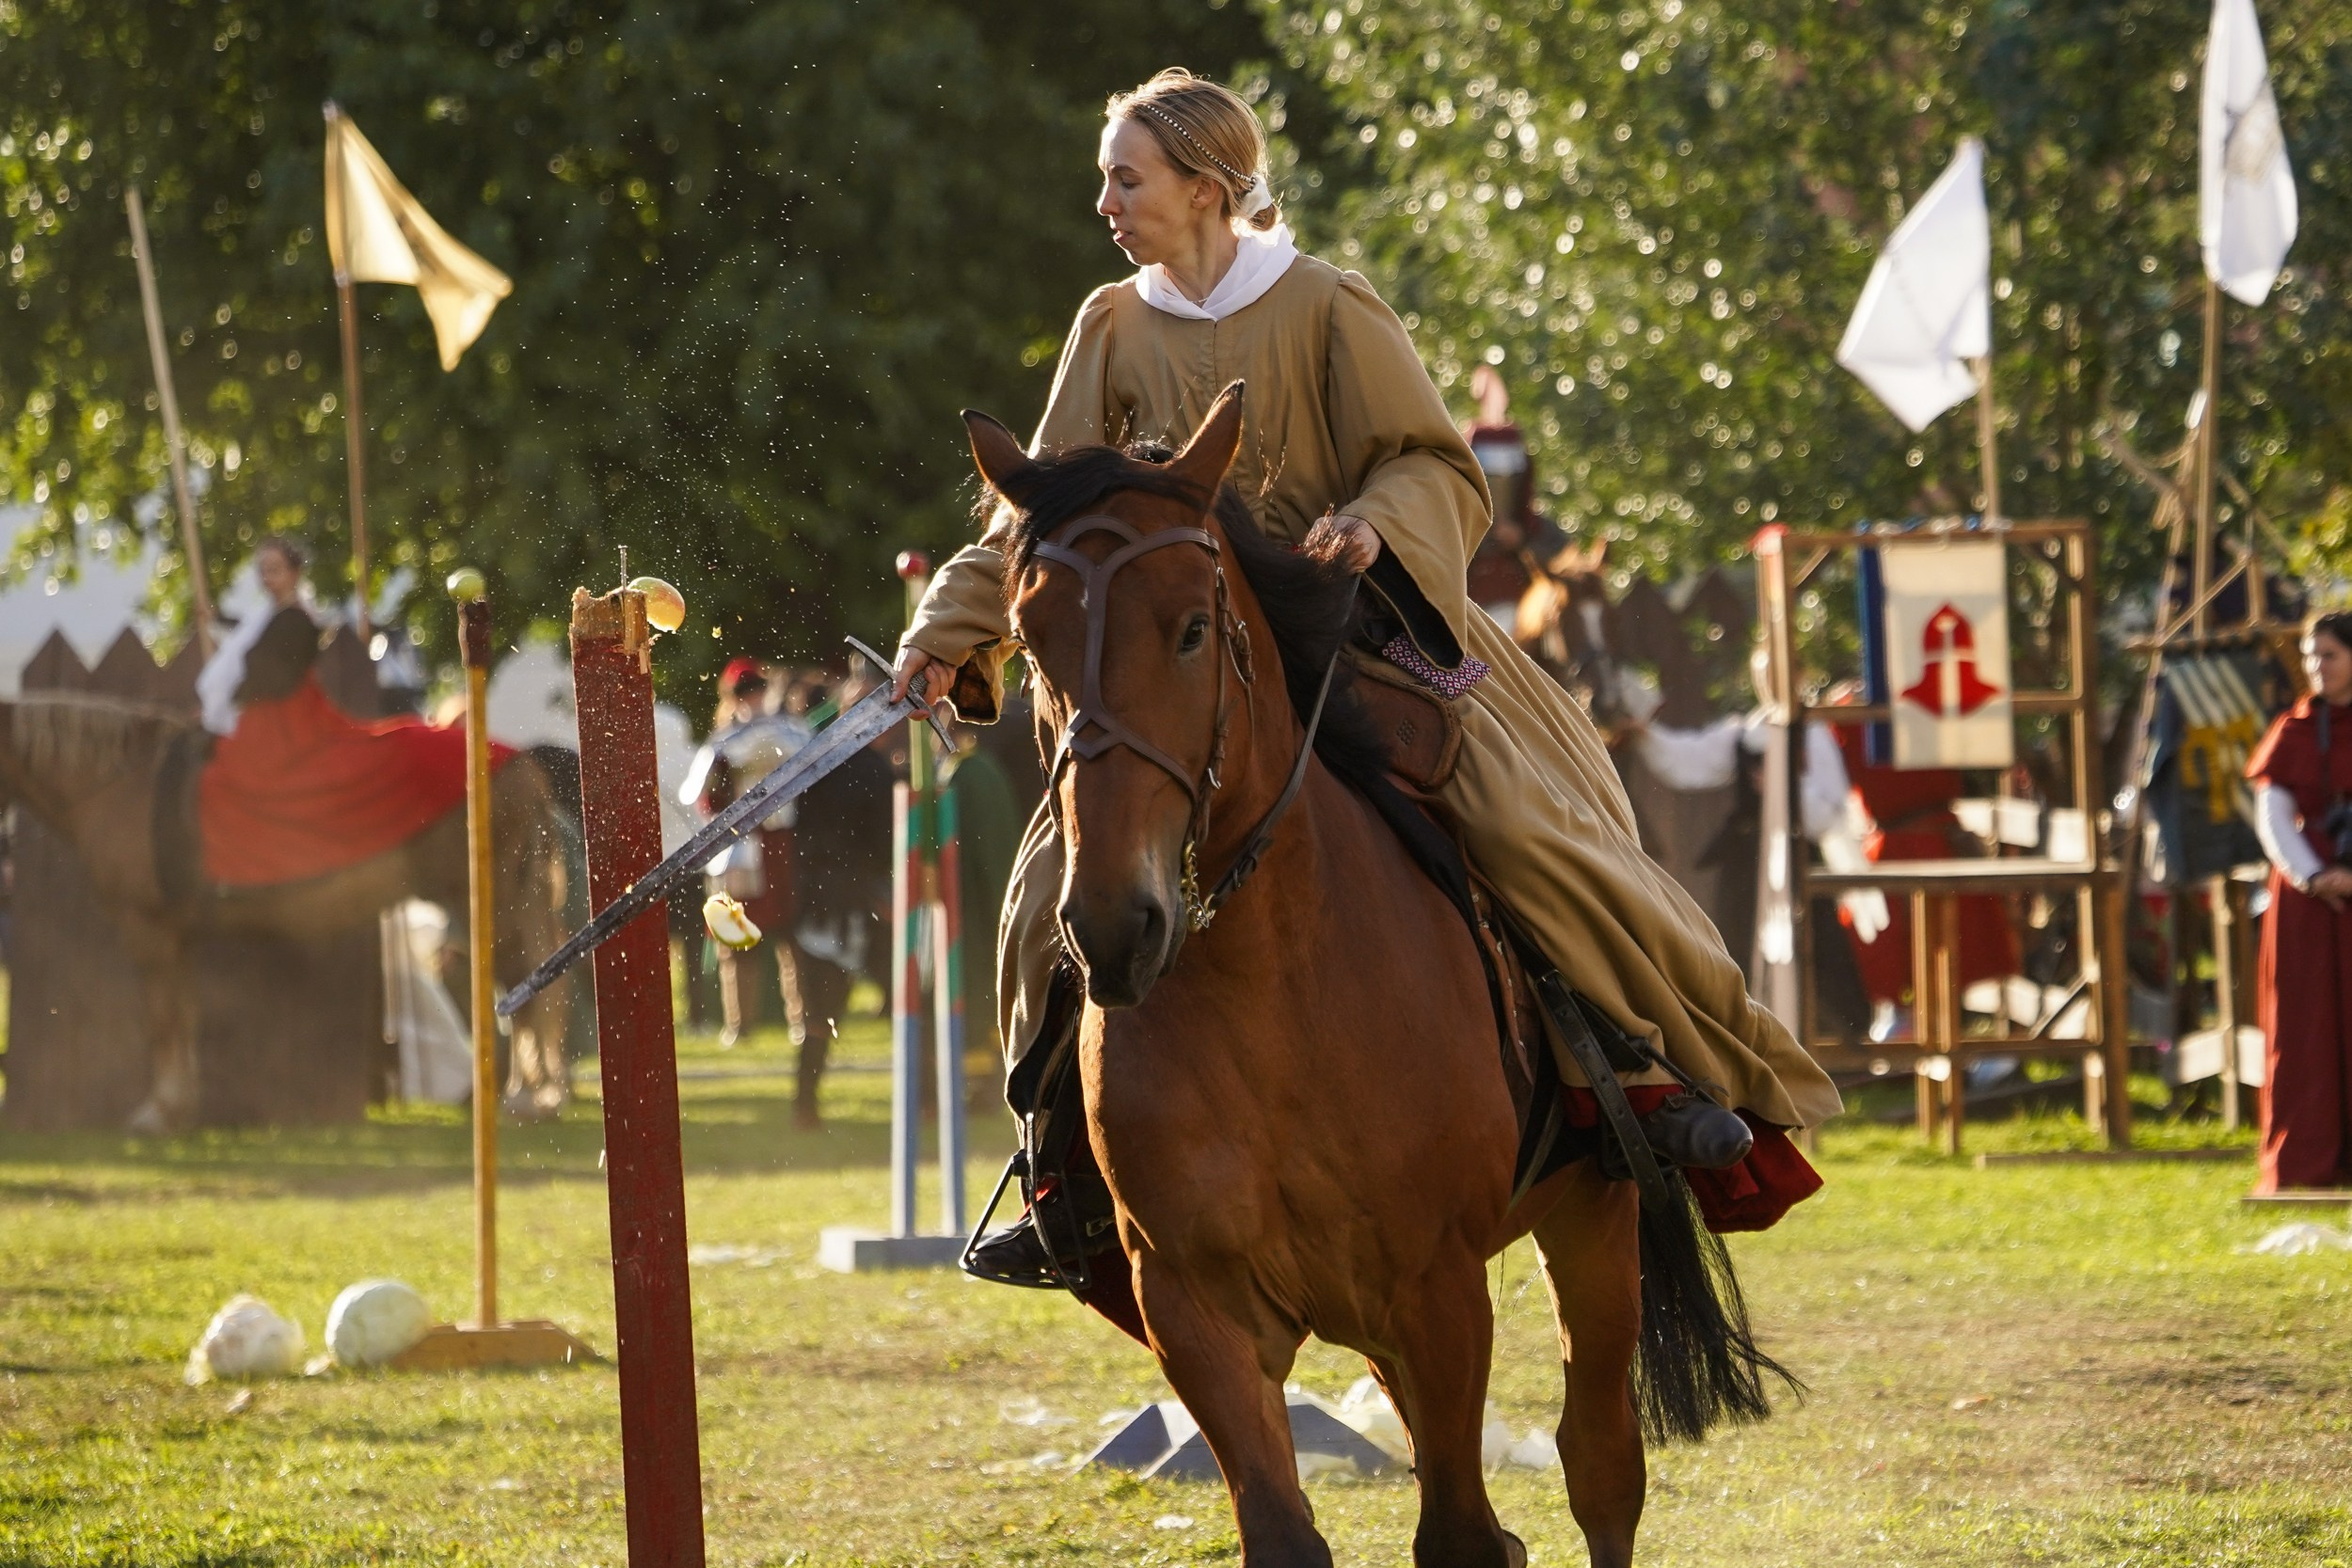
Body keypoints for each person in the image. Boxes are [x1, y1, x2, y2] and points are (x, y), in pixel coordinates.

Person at [891, 69, 1840, 1282]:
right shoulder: (1109, 324)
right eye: (1107, 179)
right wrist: (944, 631)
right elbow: (1038, 517)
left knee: (1523, 828)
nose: (1107, 202)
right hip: (1181, 663)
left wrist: (1379, 523)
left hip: (1360, 628)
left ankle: (1652, 1077)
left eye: (1126, 178)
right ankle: (1059, 1173)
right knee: (1043, 895)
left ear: (1206, 186)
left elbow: (1437, 466)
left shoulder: (1329, 305)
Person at [2247, 610, 2352, 1192]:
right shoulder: (2293, 727)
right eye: (2312, 655)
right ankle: (2306, 1162)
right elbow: (2273, 815)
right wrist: (2314, 877)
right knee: (2305, 1033)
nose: (2316, 666)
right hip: (2307, 908)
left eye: (2330, 655)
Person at [678, 658, 813, 1049]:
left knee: (793, 938)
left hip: (783, 843)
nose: (750, 698)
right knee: (735, 944)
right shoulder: (720, 741)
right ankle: (739, 1025)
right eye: (743, 692)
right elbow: (704, 798)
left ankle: (800, 1020)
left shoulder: (792, 730)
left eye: (754, 689)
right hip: (739, 848)